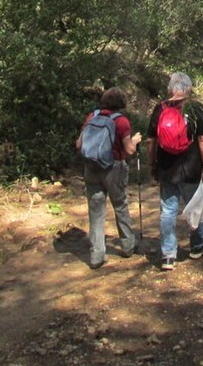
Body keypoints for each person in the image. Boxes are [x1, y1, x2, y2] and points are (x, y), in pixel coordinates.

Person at [146, 72, 203, 271]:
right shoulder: (195, 108)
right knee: (195, 207)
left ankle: (168, 256)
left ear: (170, 89)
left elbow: (151, 141)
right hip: (191, 167)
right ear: (189, 89)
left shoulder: (160, 108)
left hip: (166, 168)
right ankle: (197, 246)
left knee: (167, 211)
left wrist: (152, 164)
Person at [76, 87, 142, 269]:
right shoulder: (121, 122)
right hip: (113, 168)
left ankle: (97, 255)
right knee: (120, 205)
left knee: (96, 211)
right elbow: (129, 150)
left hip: (90, 167)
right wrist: (135, 141)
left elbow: (79, 144)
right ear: (121, 103)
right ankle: (128, 245)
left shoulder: (92, 116)